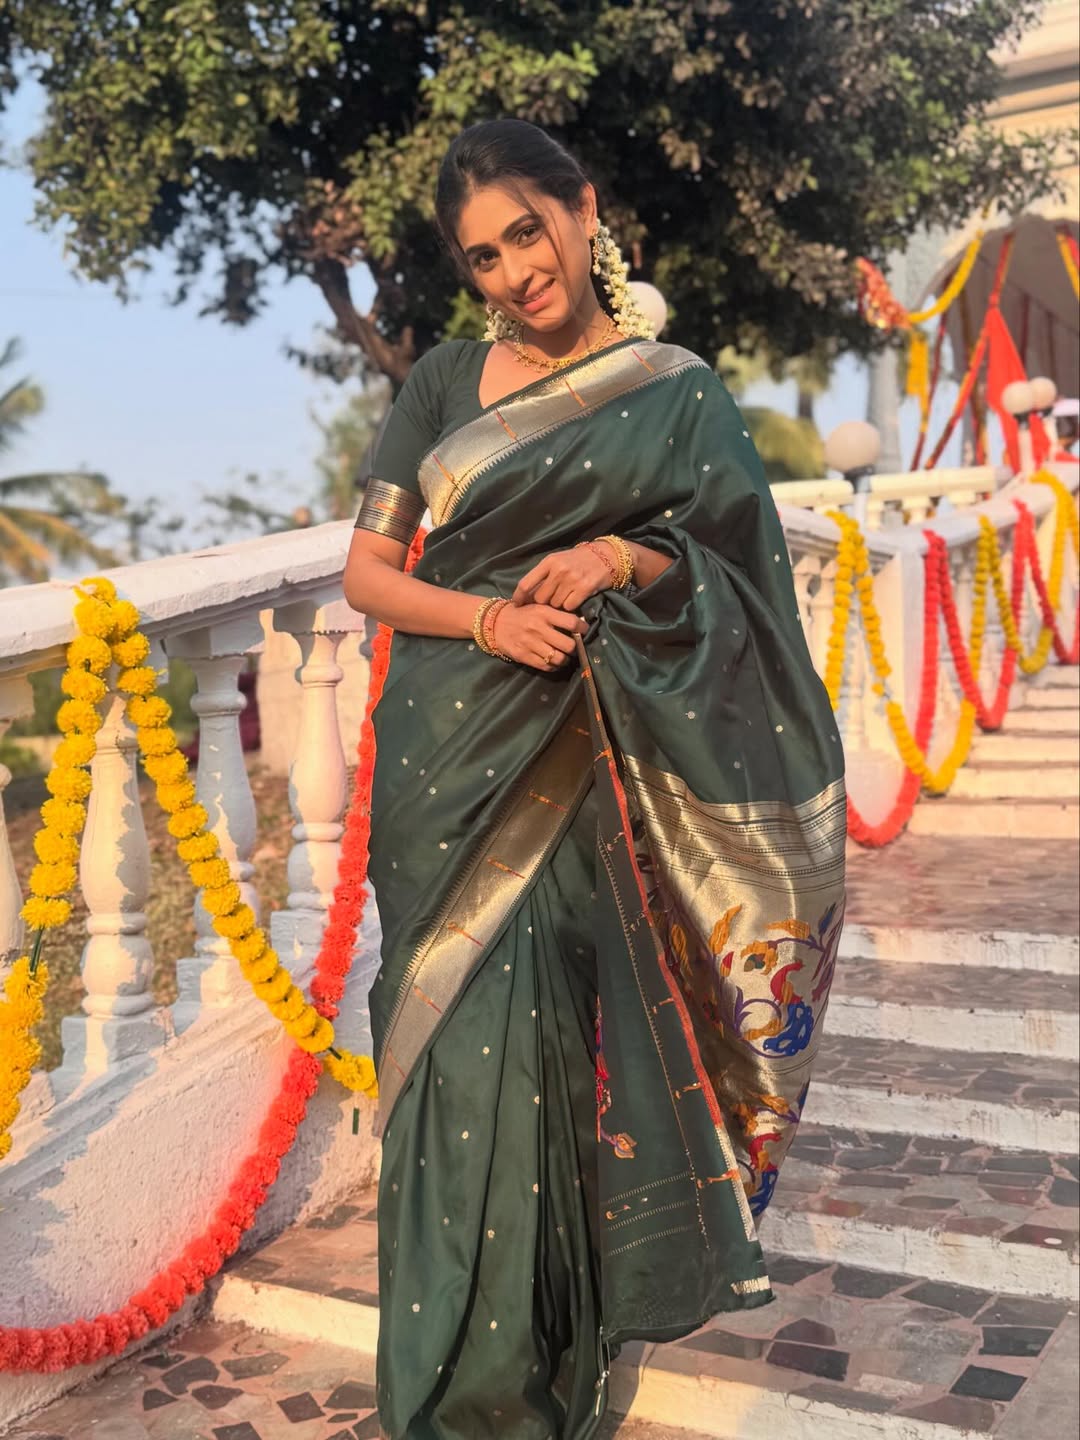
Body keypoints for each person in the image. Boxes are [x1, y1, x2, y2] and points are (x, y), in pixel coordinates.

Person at [343, 118, 846, 1440]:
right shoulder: (445, 381)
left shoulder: (673, 390)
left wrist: (622, 560)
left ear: (582, 209)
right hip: (446, 758)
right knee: (451, 1062)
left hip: (589, 757)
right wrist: (491, 620)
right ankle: (455, 1393)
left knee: (563, 1051)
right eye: (483, 256)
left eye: (527, 232)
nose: (513, 271)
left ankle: (551, 1356)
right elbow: (370, 573)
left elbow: (732, 569)